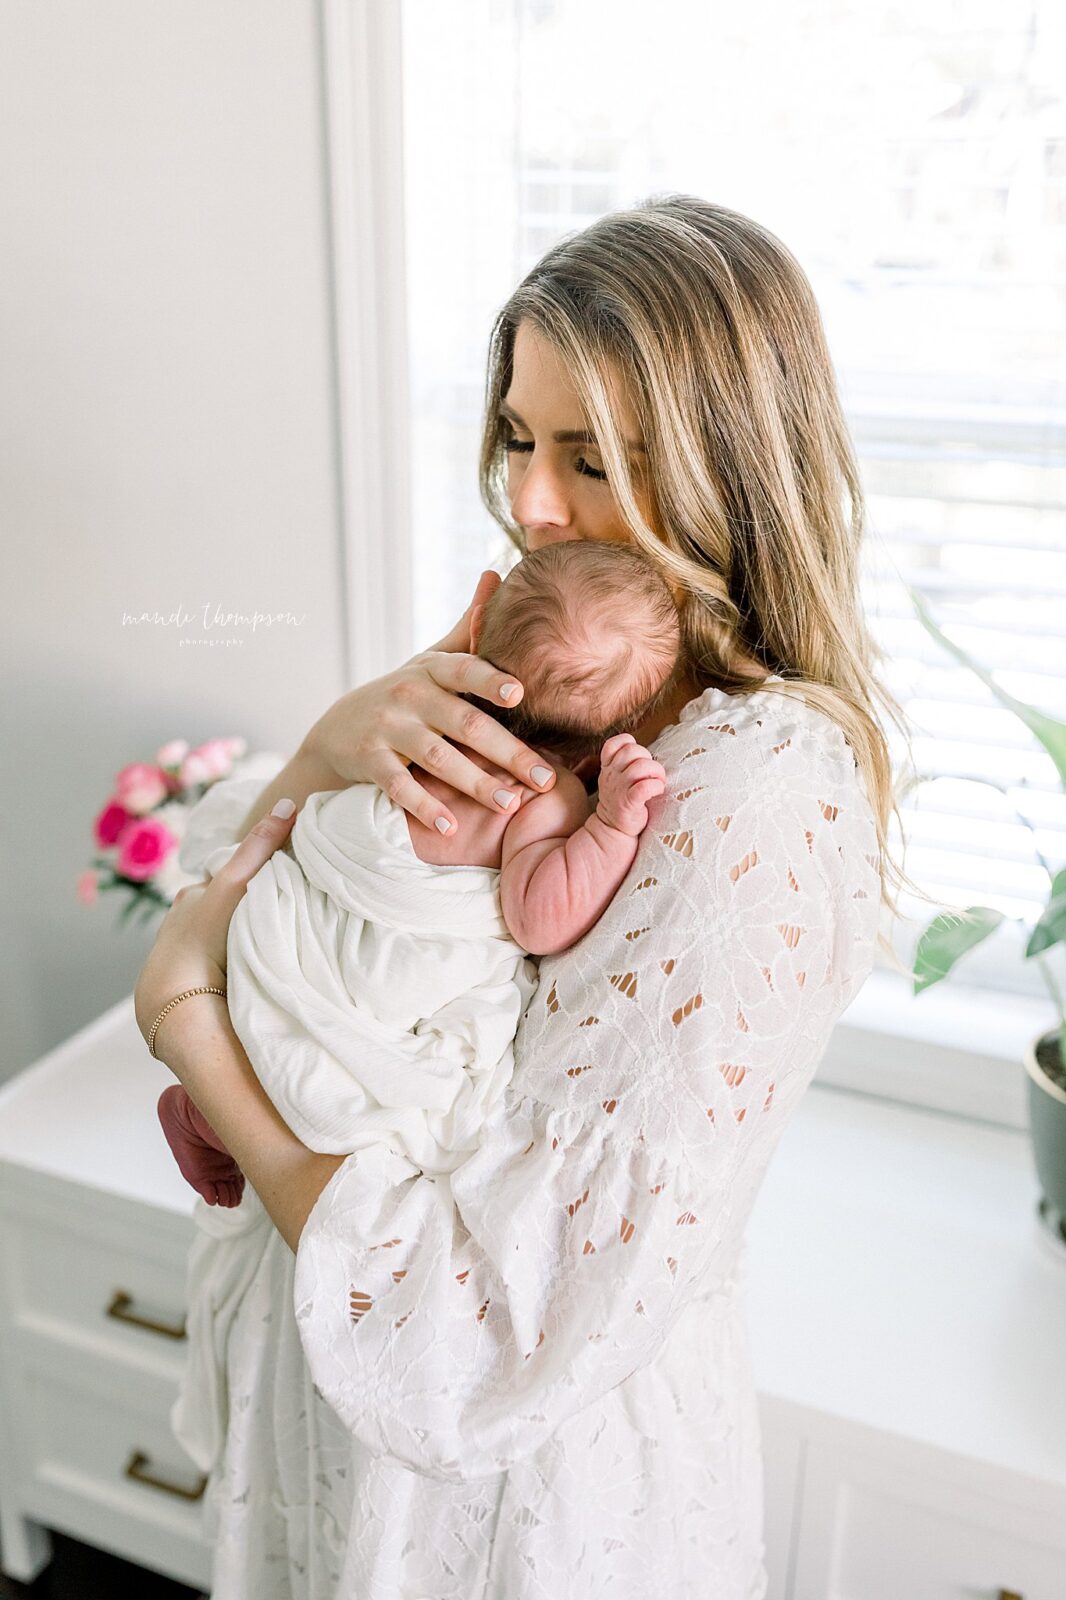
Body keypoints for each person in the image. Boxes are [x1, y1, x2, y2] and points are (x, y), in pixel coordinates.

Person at [135, 194, 909, 1600]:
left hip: (516, 1494)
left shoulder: (755, 781)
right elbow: (308, 880)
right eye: (516, 437)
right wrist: (326, 747)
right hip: (329, 1385)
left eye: (592, 458)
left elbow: (480, 1333)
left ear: (728, 466)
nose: (533, 502)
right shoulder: (561, 662)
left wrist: (189, 1026)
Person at [157, 539, 679, 1209]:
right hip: (382, 967)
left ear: (479, 612)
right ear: (622, 727)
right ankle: (211, 1116)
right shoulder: (547, 795)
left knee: (293, 1016)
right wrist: (610, 827)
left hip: (285, 921)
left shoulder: (419, 713)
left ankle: (212, 1105)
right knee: (396, 1100)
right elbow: (539, 919)